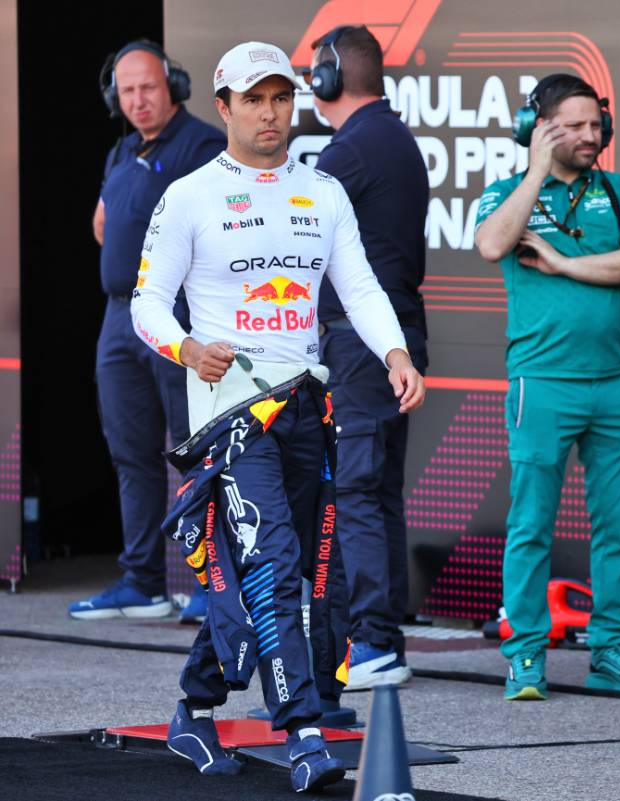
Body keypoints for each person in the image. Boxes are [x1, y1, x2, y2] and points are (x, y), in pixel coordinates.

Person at [130, 41, 424, 793]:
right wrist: (188, 348)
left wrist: (394, 353)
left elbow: (357, 287)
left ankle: (192, 709)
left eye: (281, 98)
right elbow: (146, 305)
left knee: (275, 573)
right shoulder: (191, 194)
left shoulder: (322, 190)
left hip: (305, 405)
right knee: (272, 564)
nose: (270, 113)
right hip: (229, 416)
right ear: (222, 107)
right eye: (254, 100)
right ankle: (304, 735)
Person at [474, 74, 620, 700]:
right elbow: (491, 244)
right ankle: (524, 654)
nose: (591, 136)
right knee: (530, 524)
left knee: (618, 530)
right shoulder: (506, 193)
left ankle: (611, 652)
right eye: (573, 126)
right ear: (539, 128)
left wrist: (560, 263)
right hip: (542, 385)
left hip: (616, 385)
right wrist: (534, 170)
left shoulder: (619, 189)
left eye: (595, 124)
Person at [71, 41, 224, 623]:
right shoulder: (120, 151)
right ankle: (142, 581)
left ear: (174, 87)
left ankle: (214, 581)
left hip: (176, 315)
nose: (138, 99)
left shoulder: (203, 145)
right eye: (127, 90)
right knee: (130, 452)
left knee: (194, 449)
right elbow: (105, 224)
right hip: (119, 316)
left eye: (149, 87)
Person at [305, 25, 429, 690]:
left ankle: (373, 640)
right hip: (383, 339)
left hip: (365, 344)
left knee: (358, 487)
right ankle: (378, 638)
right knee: (374, 488)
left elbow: (289, 214)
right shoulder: (387, 137)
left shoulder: (355, 148)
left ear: (328, 78)